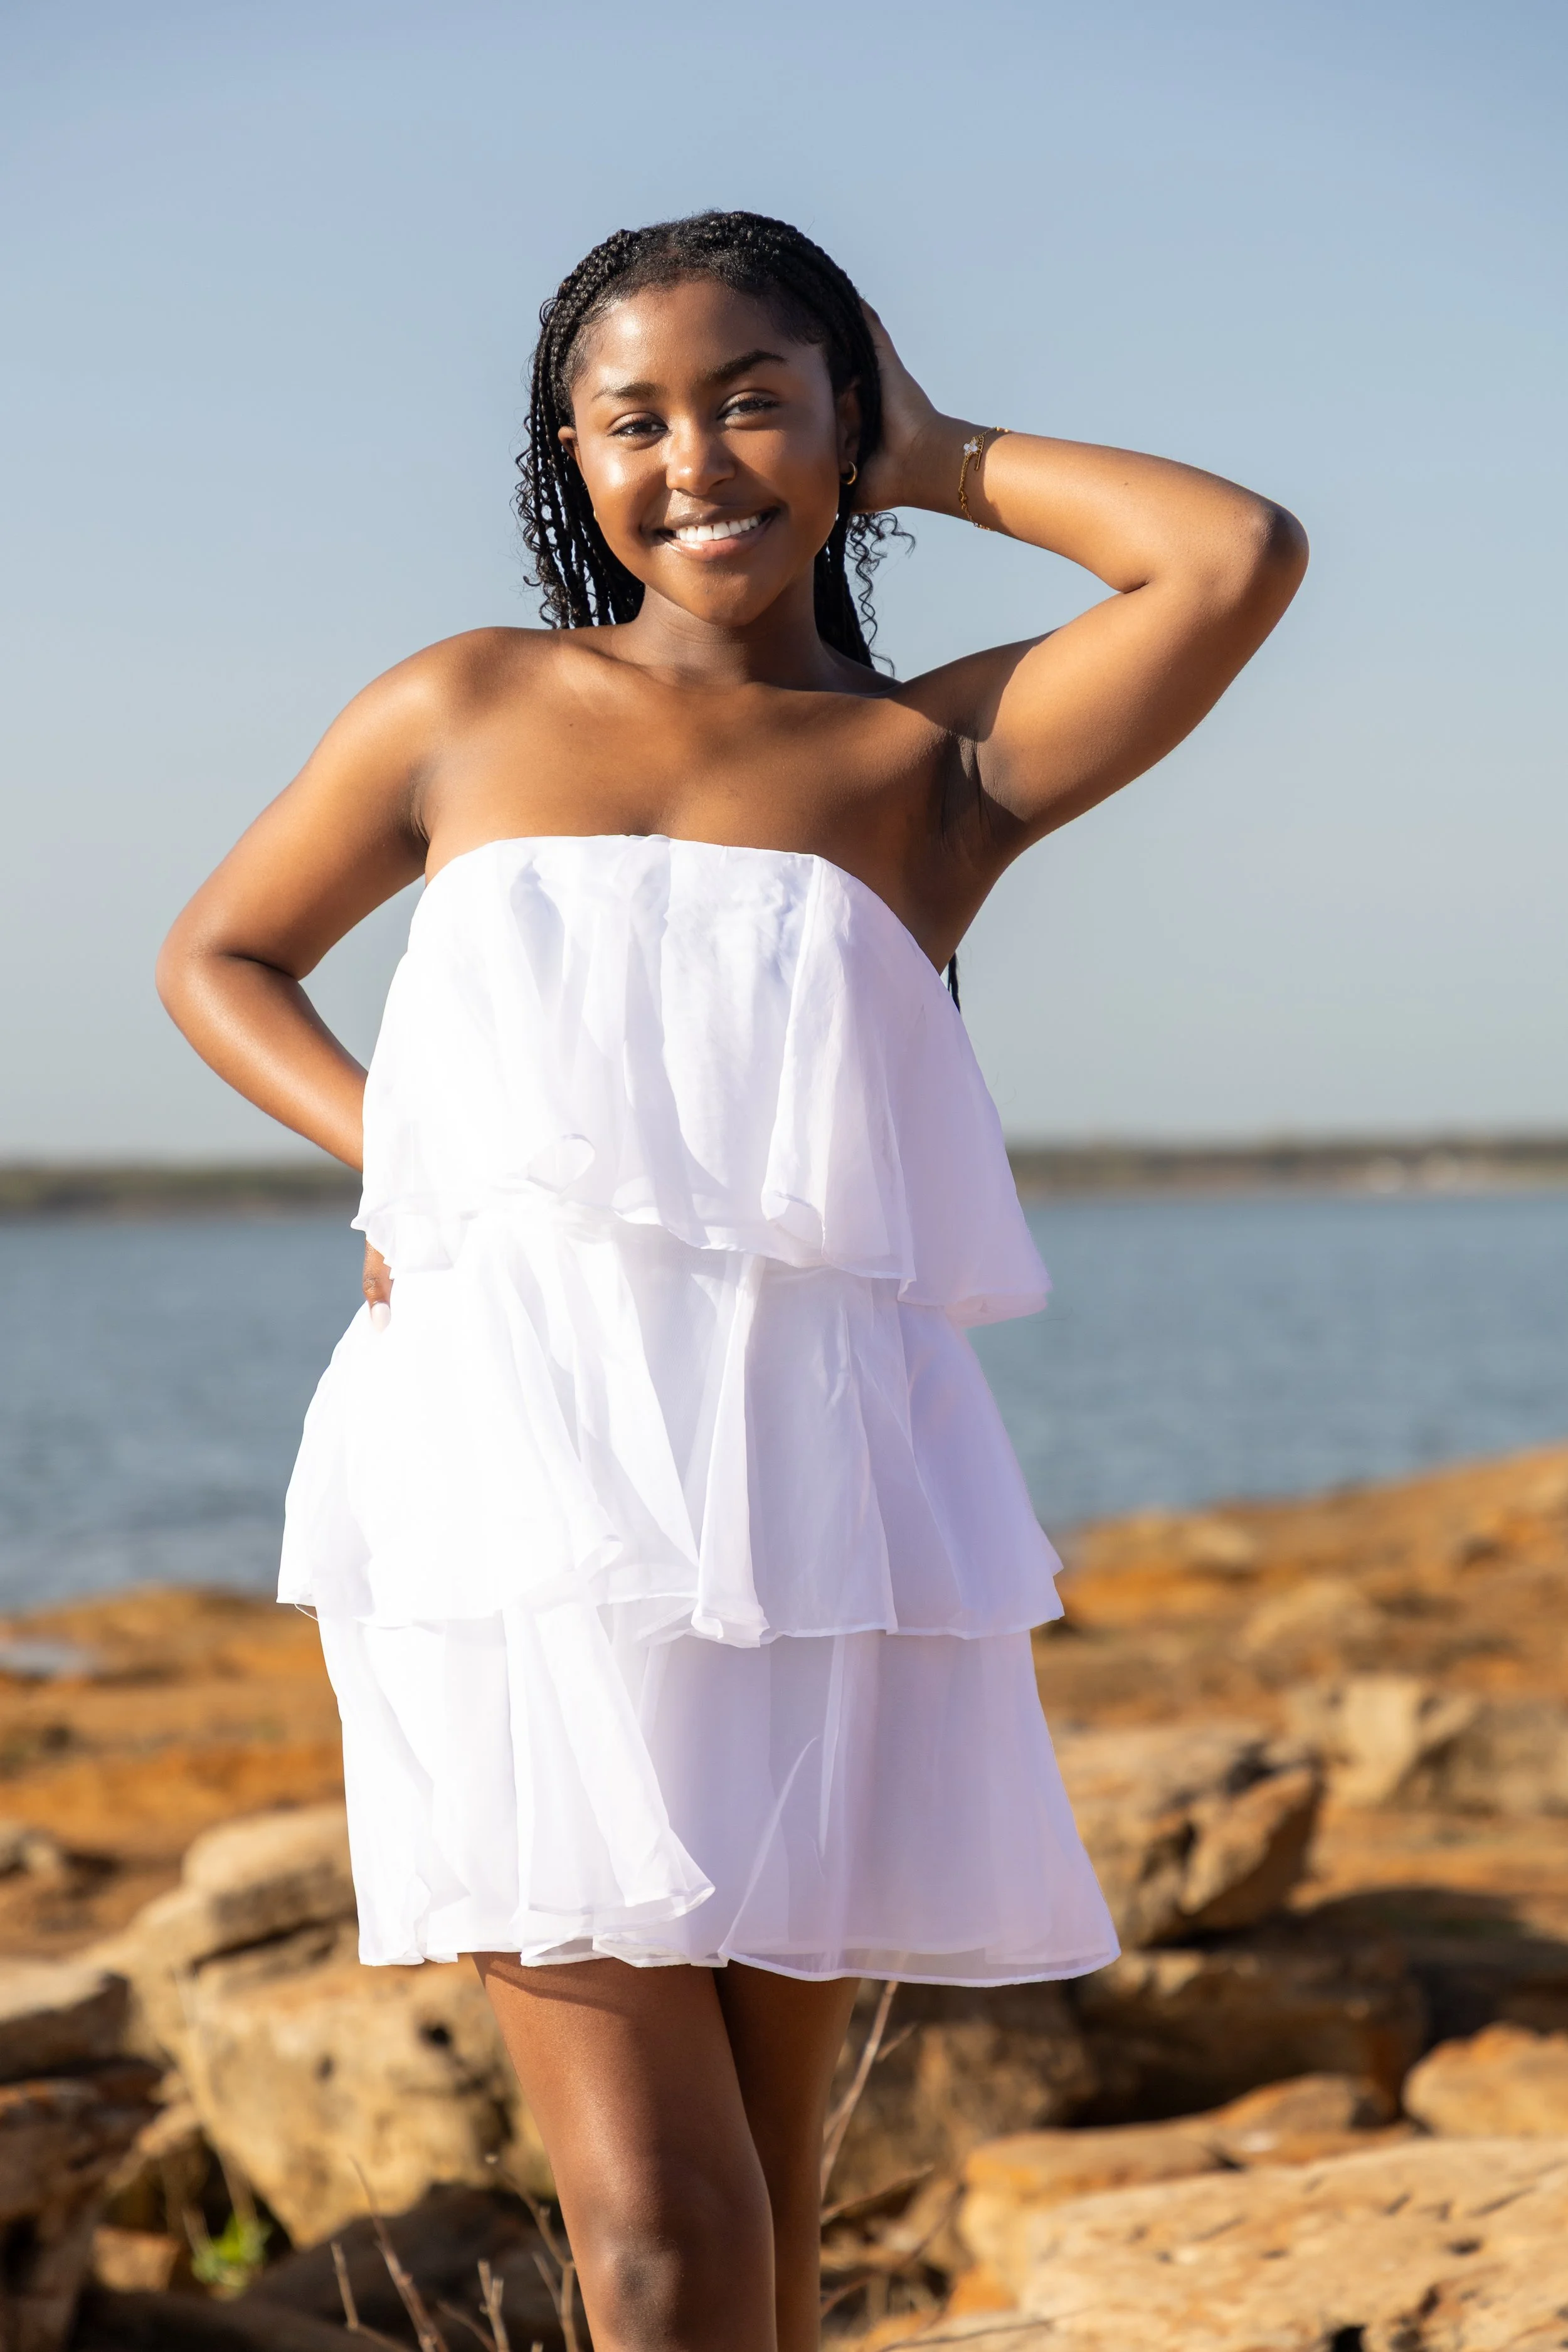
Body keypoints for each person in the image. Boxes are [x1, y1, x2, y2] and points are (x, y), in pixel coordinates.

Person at [157, 209, 1307, 2352]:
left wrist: (941, 447)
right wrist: (409, 1150)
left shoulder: (928, 769)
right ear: (568, 459)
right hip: (511, 1505)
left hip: (809, 1512)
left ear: (835, 419)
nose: (694, 458)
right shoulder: (464, 703)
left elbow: (1229, 558)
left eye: (754, 399)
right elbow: (218, 957)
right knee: (665, 2234)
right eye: (632, 420)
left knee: (771, 2216)